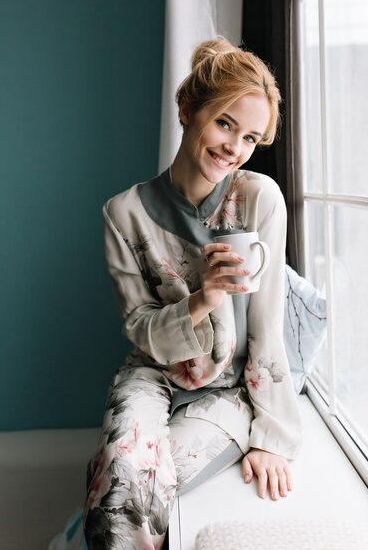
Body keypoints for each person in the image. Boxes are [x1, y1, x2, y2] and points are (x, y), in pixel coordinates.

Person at [83, 37, 302, 550]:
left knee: (126, 490)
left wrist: (272, 438)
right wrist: (202, 299)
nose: (234, 148)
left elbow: (267, 323)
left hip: (227, 386)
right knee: (118, 475)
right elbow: (139, 326)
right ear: (187, 109)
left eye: (250, 137)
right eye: (225, 123)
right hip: (152, 374)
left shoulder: (259, 199)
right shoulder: (123, 214)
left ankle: (81, 526)